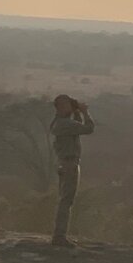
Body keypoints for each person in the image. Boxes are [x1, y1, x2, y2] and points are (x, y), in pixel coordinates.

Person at [50, 93, 94, 248]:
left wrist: (76, 112)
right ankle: (59, 236)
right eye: (68, 104)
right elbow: (88, 129)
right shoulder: (64, 124)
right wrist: (85, 112)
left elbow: (77, 128)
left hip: (64, 163)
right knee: (66, 200)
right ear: (62, 106)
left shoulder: (59, 122)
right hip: (69, 164)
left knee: (65, 199)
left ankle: (59, 235)